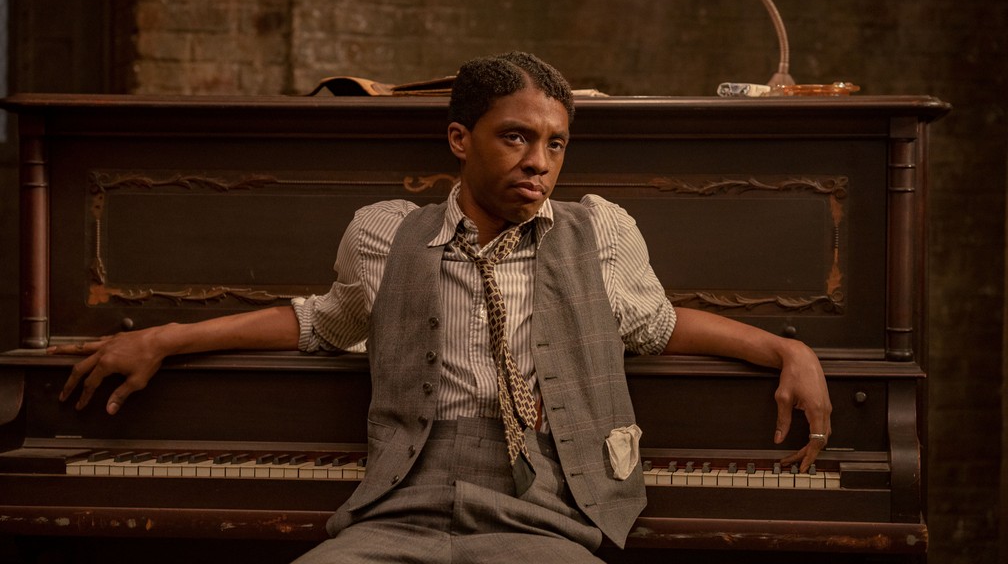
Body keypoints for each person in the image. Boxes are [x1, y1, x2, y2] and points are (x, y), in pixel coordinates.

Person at [50, 51, 832, 563]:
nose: (539, 162)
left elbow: (659, 327)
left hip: (543, 510)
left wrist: (787, 349)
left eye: (556, 144)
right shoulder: (386, 233)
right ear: (461, 138)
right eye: (516, 138)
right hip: (404, 503)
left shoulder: (600, 233)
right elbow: (322, 322)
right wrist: (167, 338)